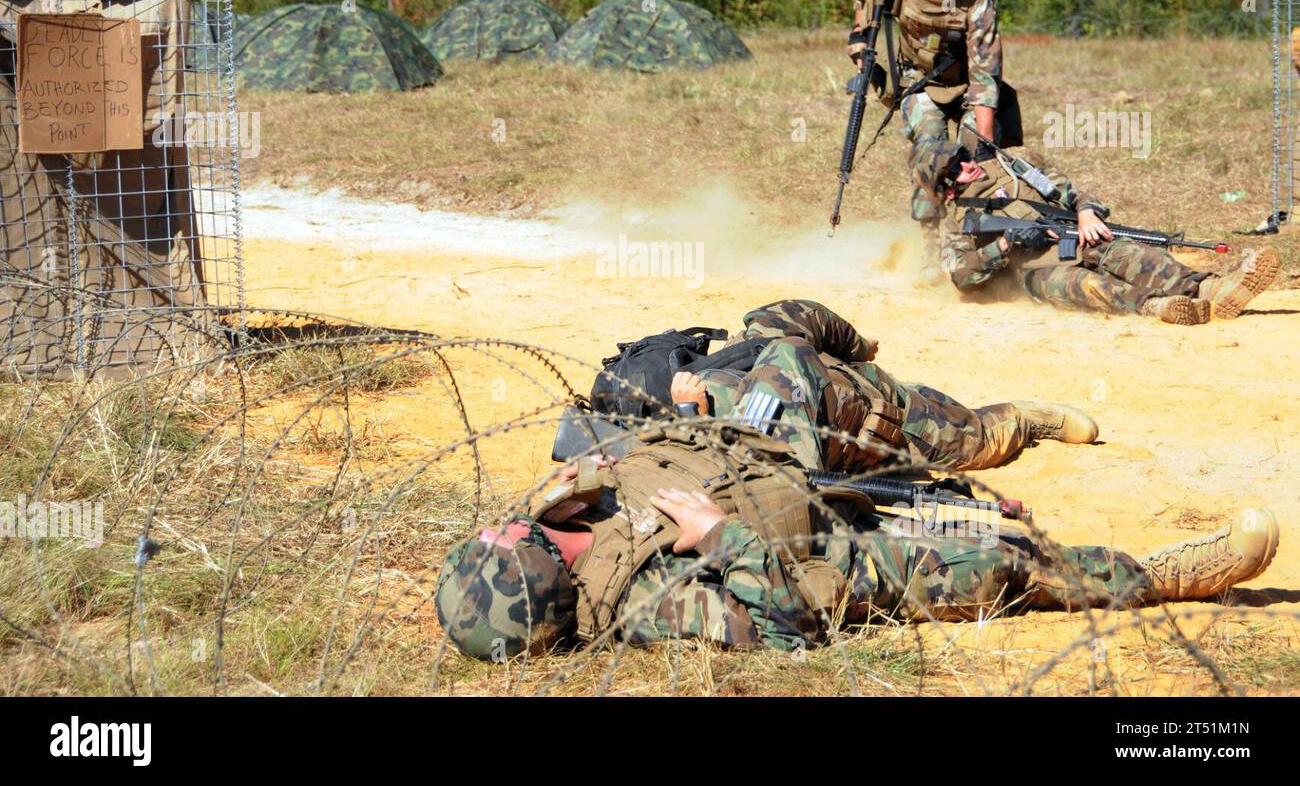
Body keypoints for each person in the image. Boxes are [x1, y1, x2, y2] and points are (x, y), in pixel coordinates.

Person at [434, 423, 1280, 658]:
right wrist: (721, 538)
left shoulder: (563, 515)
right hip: (846, 561)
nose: (494, 528)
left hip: (806, 479)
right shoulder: (644, 603)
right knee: (1002, 565)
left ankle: (1010, 425)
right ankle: (1166, 575)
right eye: (498, 544)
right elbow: (777, 627)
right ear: (537, 575)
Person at [664, 299, 1098, 476]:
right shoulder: (691, 434)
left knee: (976, 442)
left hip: (887, 416)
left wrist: (859, 346)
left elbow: (808, 316)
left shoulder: (758, 343)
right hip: (846, 431)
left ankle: (1027, 417)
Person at [914, 140, 1281, 324]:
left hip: (1079, 235)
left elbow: (1070, 191)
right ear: (948, 188)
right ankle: (1160, 307)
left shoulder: (1013, 168)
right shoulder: (956, 223)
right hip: (1035, 271)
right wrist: (1006, 245)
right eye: (957, 169)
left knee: (1136, 255)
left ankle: (1214, 287)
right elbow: (960, 275)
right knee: (1086, 287)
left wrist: (1087, 212)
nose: (968, 166)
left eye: (964, 157)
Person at [849, 0, 1001, 285]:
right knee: (932, 151)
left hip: (967, 84)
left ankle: (970, 245)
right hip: (919, 82)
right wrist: (860, 46)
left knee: (973, 160)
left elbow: (985, 75)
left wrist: (984, 144)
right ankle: (931, 250)